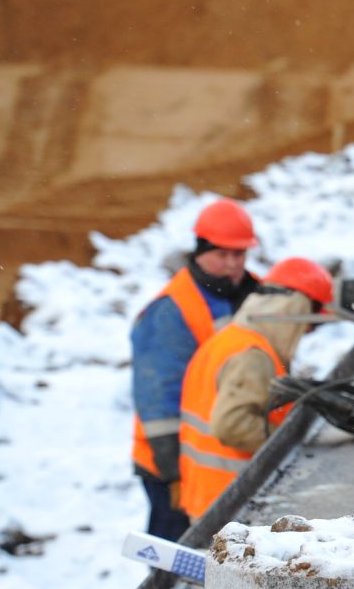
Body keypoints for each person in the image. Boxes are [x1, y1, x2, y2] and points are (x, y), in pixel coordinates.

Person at [130, 197, 261, 539]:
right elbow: (157, 398)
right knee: (175, 549)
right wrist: (175, 474)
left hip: (216, 454)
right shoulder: (171, 311)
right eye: (223, 254)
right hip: (172, 463)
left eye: (240, 254)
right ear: (199, 251)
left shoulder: (248, 292)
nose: (233, 264)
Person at [176, 257, 334, 520]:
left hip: (210, 498)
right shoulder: (252, 355)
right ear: (295, 308)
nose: (307, 331)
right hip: (234, 505)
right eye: (309, 323)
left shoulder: (229, 338)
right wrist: (292, 442)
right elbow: (232, 426)